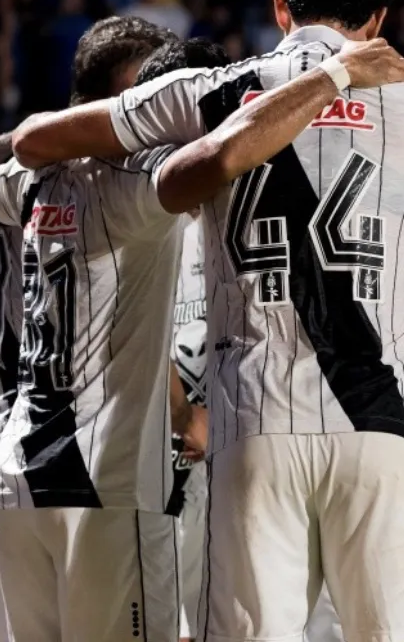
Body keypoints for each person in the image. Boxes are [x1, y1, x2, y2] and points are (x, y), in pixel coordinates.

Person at [7, 0, 404, 642]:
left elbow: (35, 140)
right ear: (378, 18)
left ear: (282, 7)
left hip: (254, 424)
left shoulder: (210, 91)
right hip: (381, 425)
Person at [0, 36, 404, 641]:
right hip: (106, 480)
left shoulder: (28, 184)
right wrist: (331, 76)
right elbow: (221, 158)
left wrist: (31, 135)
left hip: (19, 475)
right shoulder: (135, 185)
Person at [0, 15, 182, 642]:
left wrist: (25, 134)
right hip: (85, 454)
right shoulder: (118, 185)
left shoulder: (1, 187)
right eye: (148, 91)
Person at [132, 38, 233, 642]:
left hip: (237, 454)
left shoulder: (242, 204)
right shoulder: (136, 214)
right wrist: (182, 414)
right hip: (156, 462)